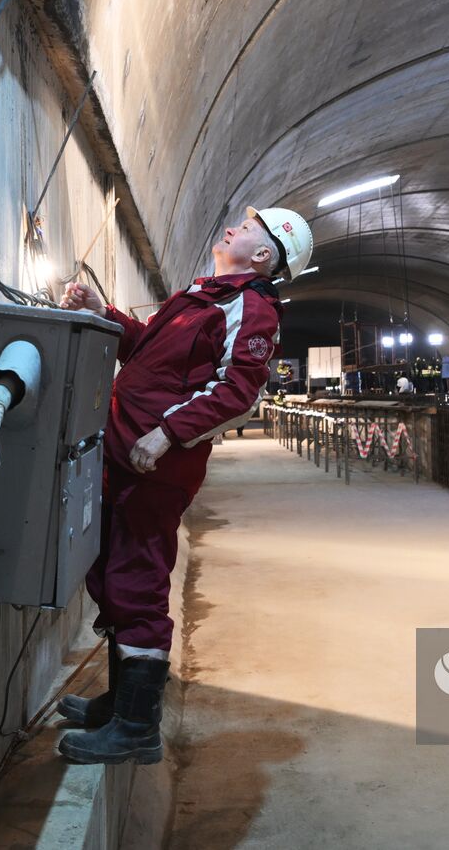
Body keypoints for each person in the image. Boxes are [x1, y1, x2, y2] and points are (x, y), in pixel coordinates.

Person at [53, 204, 313, 765]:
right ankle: (121, 701)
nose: (230, 229)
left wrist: (167, 434)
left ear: (263, 255)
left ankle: (136, 727)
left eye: (245, 229)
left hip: (155, 465)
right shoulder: (202, 296)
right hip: (124, 450)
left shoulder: (251, 308)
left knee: (137, 579)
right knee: (108, 570)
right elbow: (148, 348)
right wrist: (107, 313)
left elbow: (237, 394)